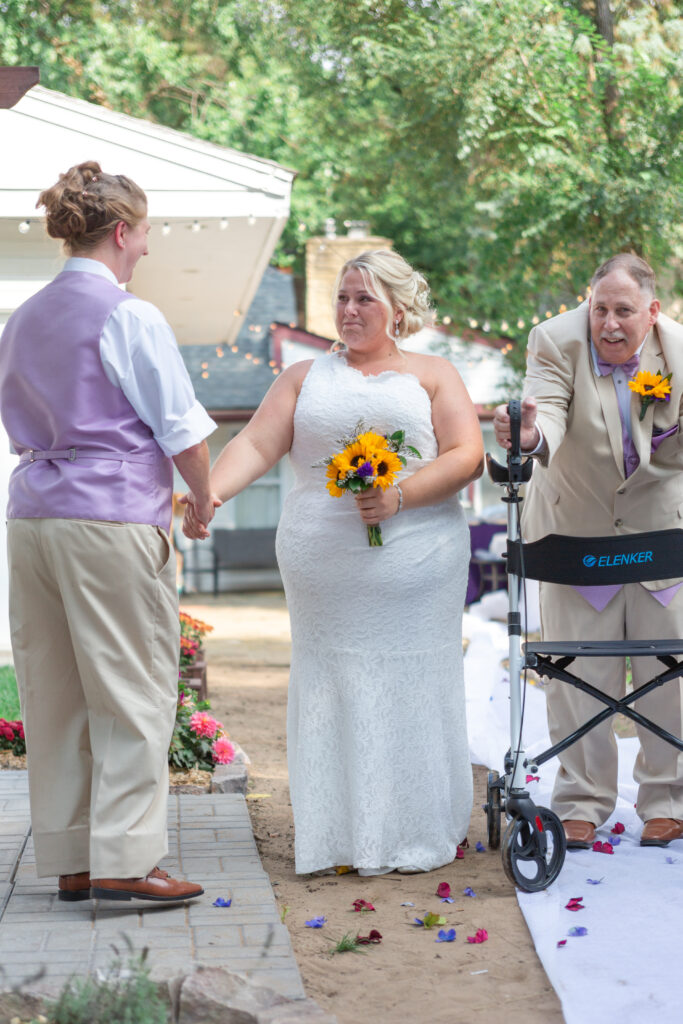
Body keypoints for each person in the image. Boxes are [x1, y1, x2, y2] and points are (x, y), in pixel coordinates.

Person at [183, 249, 484, 874]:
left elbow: (466, 455)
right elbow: (258, 441)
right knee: (330, 682)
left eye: (364, 299)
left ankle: (415, 824)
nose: (349, 311)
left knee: (414, 680)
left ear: (397, 310)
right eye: (343, 298)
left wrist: (399, 496)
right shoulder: (301, 377)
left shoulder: (434, 374)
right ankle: (340, 832)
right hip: (324, 563)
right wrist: (210, 492)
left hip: (418, 561)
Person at [0, 161, 218, 901]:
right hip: (108, 517)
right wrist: (204, 496)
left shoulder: (21, 318)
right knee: (133, 688)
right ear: (122, 232)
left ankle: (72, 859)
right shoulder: (130, 314)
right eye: (147, 233)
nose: (148, 249)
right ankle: (125, 858)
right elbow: (181, 429)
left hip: (32, 519)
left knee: (52, 692)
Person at [494, 253, 683, 849]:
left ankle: (668, 798)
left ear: (651, 313)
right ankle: (579, 800)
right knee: (577, 678)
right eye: (599, 308)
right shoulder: (554, 341)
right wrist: (530, 435)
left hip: (663, 537)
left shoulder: (680, 351)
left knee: (671, 674)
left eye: (624, 311)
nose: (608, 324)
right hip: (576, 537)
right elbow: (546, 407)